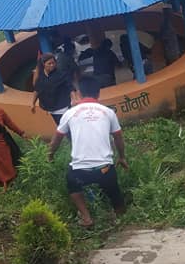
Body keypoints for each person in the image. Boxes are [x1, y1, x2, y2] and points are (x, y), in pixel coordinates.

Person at [48, 75, 128, 228]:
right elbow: (118, 137)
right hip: (105, 169)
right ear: (98, 93)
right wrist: (122, 157)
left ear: (79, 93)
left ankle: (86, 217)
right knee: (114, 191)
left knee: (72, 185)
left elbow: (57, 139)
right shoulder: (108, 112)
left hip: (80, 171)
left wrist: (50, 154)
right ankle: (121, 216)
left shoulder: (69, 113)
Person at [31, 52, 74, 125]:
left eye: (53, 63)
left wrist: (74, 99)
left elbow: (70, 88)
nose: (52, 65)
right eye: (49, 63)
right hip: (50, 108)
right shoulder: (41, 75)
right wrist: (33, 103)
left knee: (65, 126)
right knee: (60, 125)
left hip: (61, 108)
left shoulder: (61, 74)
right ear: (44, 64)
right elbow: (37, 89)